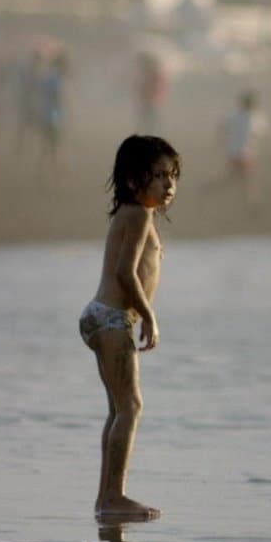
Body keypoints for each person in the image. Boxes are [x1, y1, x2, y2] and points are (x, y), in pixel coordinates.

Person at [79, 134, 181, 522]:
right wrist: (149, 315)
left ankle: (105, 500)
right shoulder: (138, 215)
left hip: (100, 316)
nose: (168, 184)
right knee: (131, 406)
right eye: (159, 175)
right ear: (135, 180)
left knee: (118, 410)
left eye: (172, 175)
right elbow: (125, 273)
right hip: (111, 318)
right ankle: (113, 497)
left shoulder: (133, 213)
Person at [222, 89, 267, 205]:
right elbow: (259, 133)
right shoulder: (254, 118)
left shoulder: (234, 115)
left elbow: (225, 129)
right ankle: (251, 201)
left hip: (233, 152)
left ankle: (249, 199)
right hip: (246, 153)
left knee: (236, 177)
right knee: (248, 179)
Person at [38, 51, 67, 183]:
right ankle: (55, 173)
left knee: (47, 145)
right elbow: (58, 97)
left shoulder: (47, 76)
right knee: (55, 146)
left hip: (44, 115)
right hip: (53, 116)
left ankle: (44, 171)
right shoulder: (57, 78)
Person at [136, 52, 167, 134]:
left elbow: (157, 88)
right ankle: (148, 133)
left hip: (152, 101)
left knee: (151, 119)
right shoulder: (149, 74)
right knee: (147, 119)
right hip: (149, 101)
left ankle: (151, 133)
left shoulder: (154, 74)